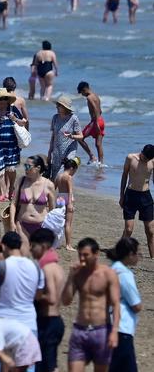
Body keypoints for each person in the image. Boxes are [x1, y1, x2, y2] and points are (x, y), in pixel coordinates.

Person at [0, 231, 45, 372]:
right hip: (28, 323)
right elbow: (38, 296)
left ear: (3, 247)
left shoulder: (1, 266)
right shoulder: (35, 267)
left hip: (2, 324)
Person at [62, 238, 121, 372]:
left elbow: (116, 304)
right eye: (80, 255)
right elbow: (66, 301)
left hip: (101, 330)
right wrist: (71, 276)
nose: (82, 259)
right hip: (79, 330)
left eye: (86, 255)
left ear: (96, 254)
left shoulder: (108, 274)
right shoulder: (78, 274)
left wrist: (114, 332)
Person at [29, 228, 66, 372]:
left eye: (33, 246)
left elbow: (51, 297)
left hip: (48, 322)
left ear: (43, 246)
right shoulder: (57, 266)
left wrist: (35, 296)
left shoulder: (47, 269)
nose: (31, 250)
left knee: (48, 366)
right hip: (55, 321)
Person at [107, 238, 142, 372]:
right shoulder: (125, 274)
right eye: (138, 253)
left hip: (110, 324)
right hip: (123, 328)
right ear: (130, 254)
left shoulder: (112, 269)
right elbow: (136, 305)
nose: (139, 257)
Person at [0, 88, 26, 201]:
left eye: (5, 99)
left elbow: (23, 122)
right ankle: (2, 193)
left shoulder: (13, 110)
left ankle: (11, 188)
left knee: (10, 169)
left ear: (8, 100)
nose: (3, 101)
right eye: (0, 99)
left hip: (12, 145)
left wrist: (15, 118)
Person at [11, 155, 56, 245]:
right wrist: (12, 223)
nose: (25, 169)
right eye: (25, 166)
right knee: (23, 253)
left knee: (38, 256)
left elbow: (52, 210)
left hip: (41, 226)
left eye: (28, 166)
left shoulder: (49, 185)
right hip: (22, 224)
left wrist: (52, 228)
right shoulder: (21, 181)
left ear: (38, 168)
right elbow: (13, 204)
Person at [119, 145, 154, 258]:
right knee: (129, 229)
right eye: (144, 158)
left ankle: (152, 257)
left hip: (146, 197)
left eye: (148, 159)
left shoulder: (152, 161)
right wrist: (122, 196)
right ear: (141, 152)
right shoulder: (131, 158)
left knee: (150, 231)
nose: (146, 161)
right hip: (131, 195)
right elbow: (124, 175)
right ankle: (121, 250)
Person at [48, 96, 83, 178]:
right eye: (57, 105)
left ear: (65, 107)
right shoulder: (55, 118)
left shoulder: (74, 118)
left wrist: (72, 136)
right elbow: (53, 136)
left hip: (69, 150)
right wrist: (49, 152)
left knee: (62, 174)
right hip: (57, 151)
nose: (56, 107)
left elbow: (81, 136)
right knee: (54, 177)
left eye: (59, 105)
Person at [55, 157, 80, 251]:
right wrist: (70, 203)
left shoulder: (59, 176)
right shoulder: (68, 177)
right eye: (75, 170)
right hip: (67, 198)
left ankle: (56, 242)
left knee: (59, 222)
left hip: (59, 198)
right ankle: (68, 245)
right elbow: (70, 191)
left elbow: (53, 188)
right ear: (72, 168)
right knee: (68, 223)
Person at [77, 81, 105, 165]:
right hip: (101, 121)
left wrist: (95, 123)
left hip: (95, 122)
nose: (82, 95)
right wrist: (99, 121)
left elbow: (95, 109)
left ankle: (92, 156)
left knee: (80, 138)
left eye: (81, 92)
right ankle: (101, 163)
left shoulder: (89, 97)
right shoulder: (96, 95)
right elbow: (100, 110)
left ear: (84, 89)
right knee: (98, 144)